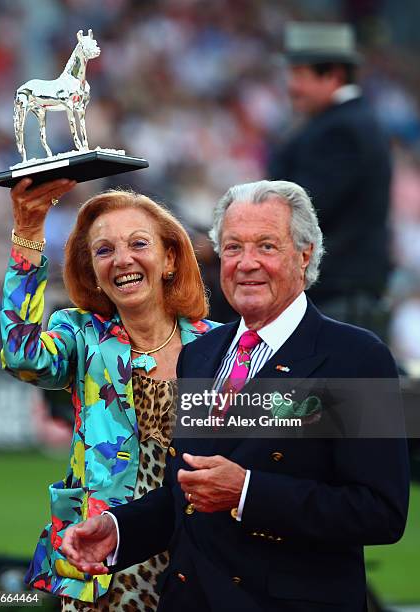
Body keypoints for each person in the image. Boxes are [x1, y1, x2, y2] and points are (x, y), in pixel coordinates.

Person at [61, 179, 409, 612]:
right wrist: (119, 530)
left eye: (266, 246)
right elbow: (185, 492)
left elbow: (381, 512)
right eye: (232, 248)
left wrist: (247, 493)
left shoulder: (355, 358)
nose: (246, 264)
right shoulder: (201, 355)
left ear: (304, 255)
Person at [0, 177, 219, 610]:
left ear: (170, 257)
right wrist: (27, 234)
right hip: (101, 566)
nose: (122, 260)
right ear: (93, 272)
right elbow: (22, 356)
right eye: (104, 250)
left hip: (198, 559)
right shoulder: (79, 334)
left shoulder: (218, 345)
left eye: (138, 243)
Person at [270, 22, 392, 337]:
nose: (291, 86)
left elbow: (302, 209)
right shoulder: (347, 123)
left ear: (333, 75)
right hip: (341, 294)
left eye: (299, 75)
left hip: (333, 295)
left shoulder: (340, 131)